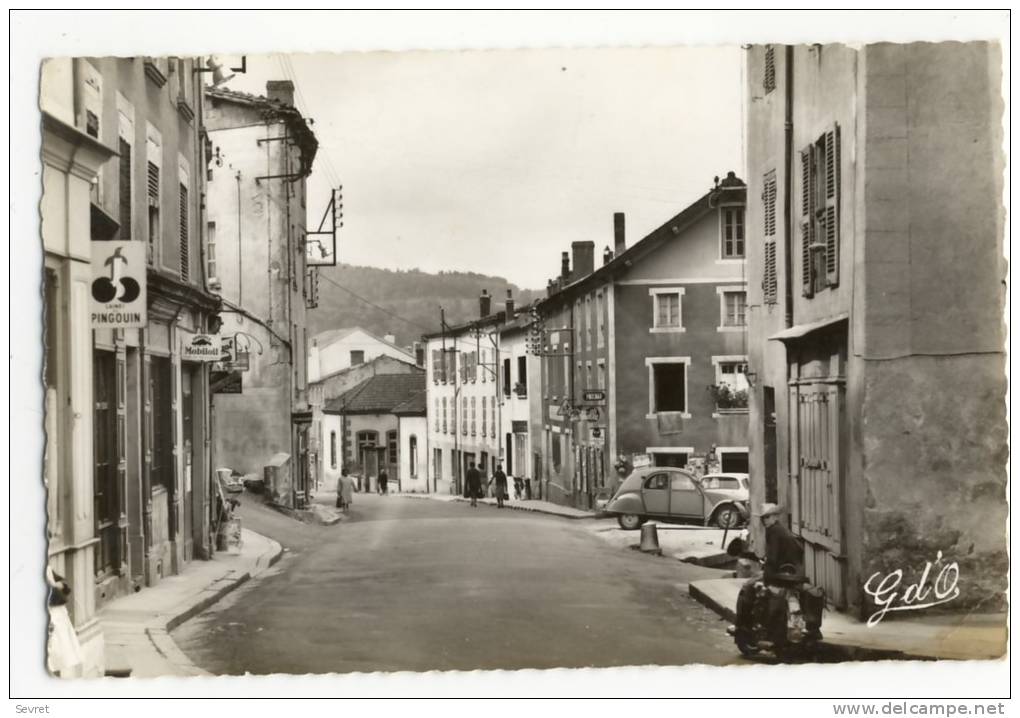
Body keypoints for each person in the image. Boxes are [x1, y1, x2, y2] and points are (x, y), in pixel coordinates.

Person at [733, 503, 823, 645]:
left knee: (748, 587)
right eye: (763, 518)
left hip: (778, 575)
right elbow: (796, 551)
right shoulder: (782, 530)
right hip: (791, 575)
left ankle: (742, 626)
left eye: (767, 517)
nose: (765, 521)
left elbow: (773, 558)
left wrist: (767, 574)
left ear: (775, 516)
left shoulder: (773, 531)